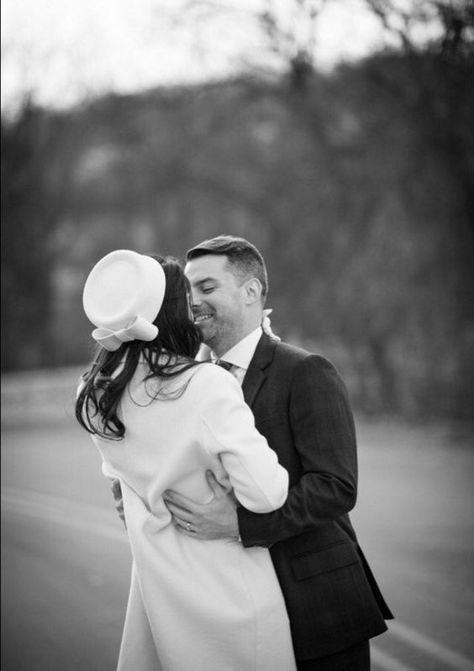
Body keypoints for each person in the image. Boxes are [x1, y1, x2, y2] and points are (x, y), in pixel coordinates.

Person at [161, 235, 394, 671]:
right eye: (188, 290)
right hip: (231, 608)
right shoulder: (190, 384)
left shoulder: (305, 371)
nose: (192, 301)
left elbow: (335, 487)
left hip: (315, 604)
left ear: (251, 292)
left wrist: (240, 524)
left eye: (207, 288)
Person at [76, 249, 297, 671]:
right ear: (175, 314)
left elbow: (122, 495)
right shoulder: (205, 384)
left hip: (158, 599)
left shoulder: (99, 399)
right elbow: (267, 494)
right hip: (229, 592)